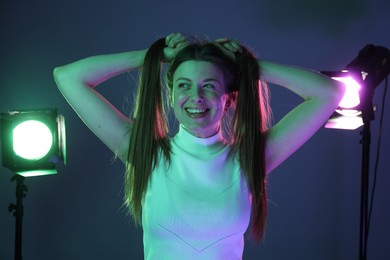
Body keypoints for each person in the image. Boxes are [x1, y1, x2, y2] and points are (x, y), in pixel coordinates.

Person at [53, 33, 344, 259]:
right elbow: (67, 77)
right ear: (171, 94)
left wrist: (248, 66)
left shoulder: (249, 159)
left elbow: (330, 92)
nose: (196, 96)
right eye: (184, 85)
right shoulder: (146, 153)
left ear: (228, 98)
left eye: (209, 85)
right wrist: (152, 57)